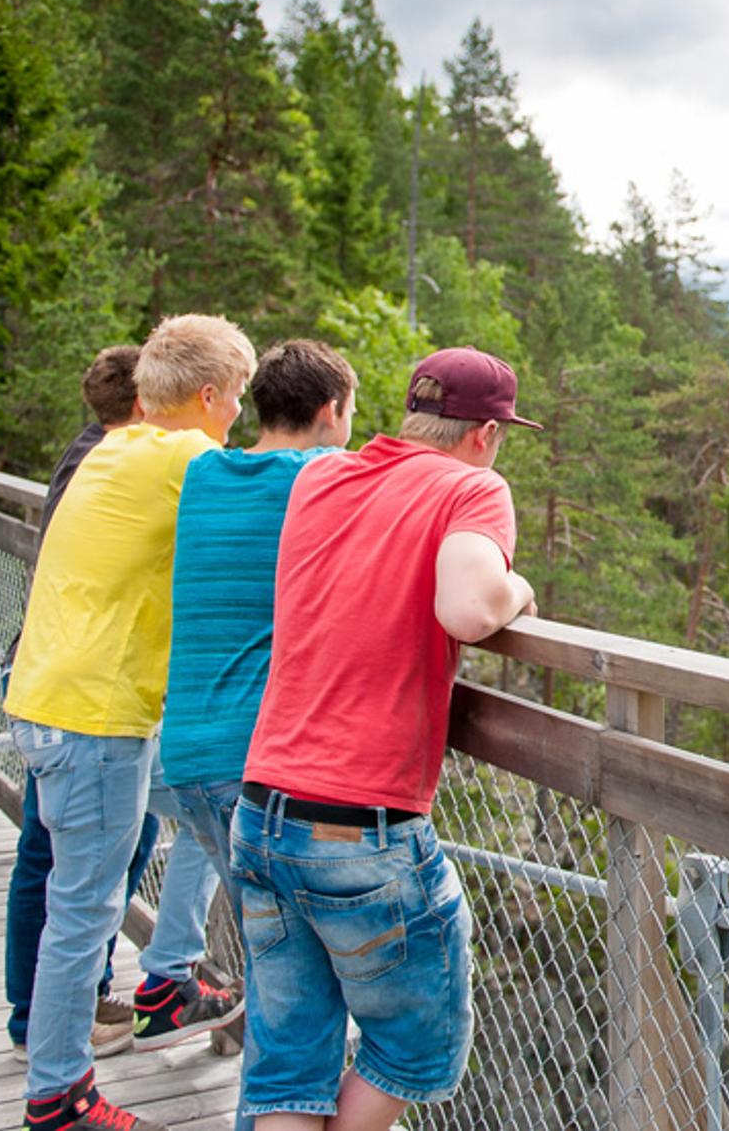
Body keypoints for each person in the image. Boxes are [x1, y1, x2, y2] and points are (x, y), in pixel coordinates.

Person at [233, 346, 538, 1131]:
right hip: (359, 828)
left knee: (289, 1068)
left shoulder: (322, 477)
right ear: (484, 434)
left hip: (261, 810)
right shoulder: (475, 487)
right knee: (416, 1049)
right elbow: (469, 610)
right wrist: (520, 589)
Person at [7, 314, 257, 1131]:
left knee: (201, 809)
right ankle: (58, 1096)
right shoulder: (185, 454)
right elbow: (273, 503)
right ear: (210, 395)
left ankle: (163, 977)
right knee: (82, 909)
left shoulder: (113, 448)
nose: (239, 420)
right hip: (97, 720)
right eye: (240, 400)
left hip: (50, 704)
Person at [158, 339, 355, 1130]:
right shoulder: (318, 477)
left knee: (279, 969)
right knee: (299, 996)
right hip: (260, 762)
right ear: (330, 412)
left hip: (189, 755)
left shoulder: (204, 472)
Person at [3, 347, 163, 1063]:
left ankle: (53, 1007)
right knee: (69, 870)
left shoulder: (91, 454)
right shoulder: (114, 462)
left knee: (60, 859)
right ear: (144, 401)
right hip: (80, 693)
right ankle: (44, 1021)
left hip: (53, 678)